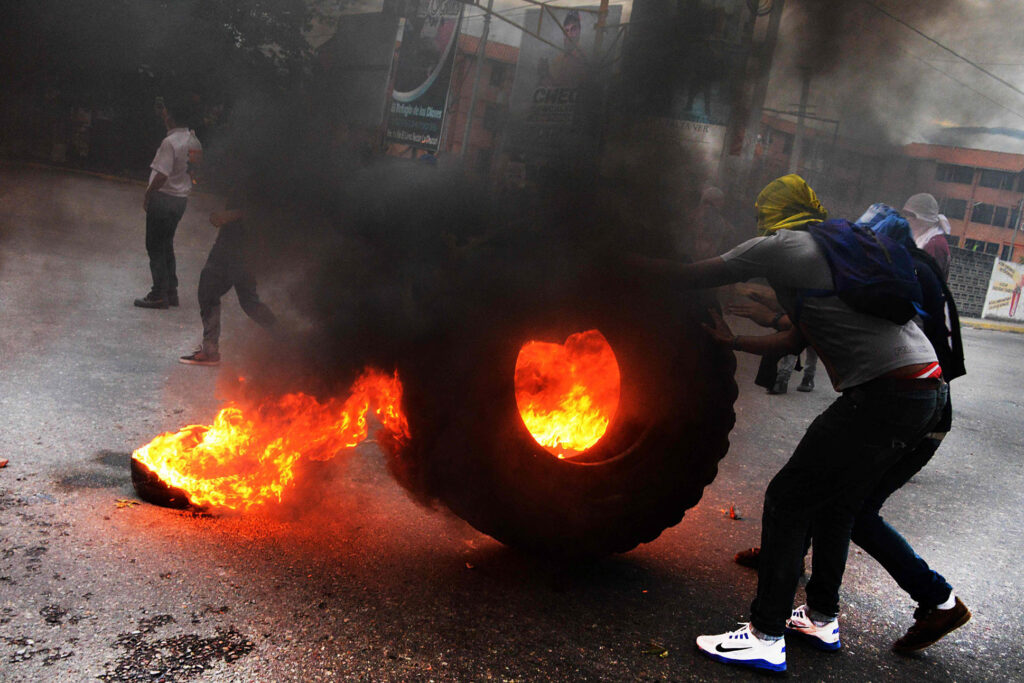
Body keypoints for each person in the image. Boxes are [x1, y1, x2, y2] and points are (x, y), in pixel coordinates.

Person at [632, 175, 946, 673]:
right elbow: (792, 342)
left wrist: (615, 262)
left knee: (789, 496)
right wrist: (732, 342)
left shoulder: (784, 245)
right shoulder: (837, 250)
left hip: (884, 396)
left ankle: (765, 633)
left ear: (773, 212)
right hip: (924, 390)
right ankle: (820, 618)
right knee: (836, 504)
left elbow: (694, 274)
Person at [730, 204, 971, 655]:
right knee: (837, 502)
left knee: (849, 509)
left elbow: (831, 328)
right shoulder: (893, 273)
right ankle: (821, 615)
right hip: (920, 401)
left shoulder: (901, 273)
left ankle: (938, 599)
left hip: (911, 404)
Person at [179, 185, 277, 366]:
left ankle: (210, 350)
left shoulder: (259, 171)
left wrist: (230, 215)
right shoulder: (252, 170)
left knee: (208, 290)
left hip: (234, 247)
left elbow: (262, 206)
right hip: (245, 246)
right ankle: (284, 337)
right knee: (249, 301)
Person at [134, 96, 202, 309]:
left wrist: (148, 195)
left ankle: (159, 294)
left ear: (170, 116)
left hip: (163, 198)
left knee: (155, 246)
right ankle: (171, 292)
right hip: (180, 200)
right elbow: (196, 173)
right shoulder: (194, 141)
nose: (163, 115)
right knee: (166, 244)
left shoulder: (169, 142)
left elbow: (161, 175)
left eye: (166, 112)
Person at [902, 193, 952, 280]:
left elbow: (928, 280)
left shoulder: (935, 244)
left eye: (912, 215)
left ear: (924, 217)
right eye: (905, 214)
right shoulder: (918, 237)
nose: (907, 218)